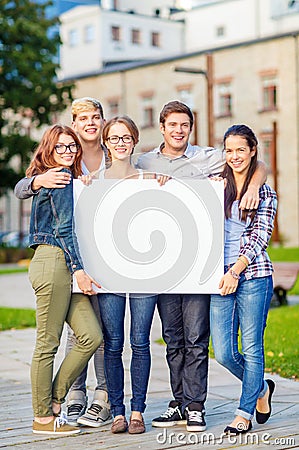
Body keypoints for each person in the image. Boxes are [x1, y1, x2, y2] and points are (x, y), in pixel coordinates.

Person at [135, 100, 268, 432]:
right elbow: (120, 175)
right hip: (175, 265)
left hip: (223, 272)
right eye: (173, 125)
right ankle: (183, 402)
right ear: (162, 128)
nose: (179, 131)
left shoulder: (209, 160)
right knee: (189, 342)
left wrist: (253, 184)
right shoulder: (147, 161)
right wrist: (150, 179)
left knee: (211, 340)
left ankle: (221, 408)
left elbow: (255, 166)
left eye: (185, 125)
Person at [14, 98, 112, 428]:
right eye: (62, 147)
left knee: (90, 335)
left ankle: (55, 398)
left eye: (72, 146)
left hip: (63, 264)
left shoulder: (65, 179)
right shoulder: (55, 178)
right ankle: (43, 416)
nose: (69, 150)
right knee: (48, 342)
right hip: (55, 262)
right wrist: (80, 271)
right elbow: (63, 229)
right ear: (50, 150)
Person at [84, 116, 165, 435]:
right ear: (106, 143)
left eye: (125, 137)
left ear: (134, 141)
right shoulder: (92, 181)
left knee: (140, 342)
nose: (120, 143)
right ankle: (117, 410)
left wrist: (164, 186)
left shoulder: (151, 178)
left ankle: (137, 411)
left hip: (144, 272)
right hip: (109, 274)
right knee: (113, 343)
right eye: (113, 138)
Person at [210, 124, 277, 435]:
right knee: (223, 352)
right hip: (219, 278)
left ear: (252, 151)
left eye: (241, 149)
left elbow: (260, 236)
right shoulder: (215, 186)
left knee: (251, 347)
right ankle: (260, 387)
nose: (234, 156)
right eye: (229, 150)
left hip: (252, 275)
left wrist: (236, 270)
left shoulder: (264, 191)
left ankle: (243, 412)